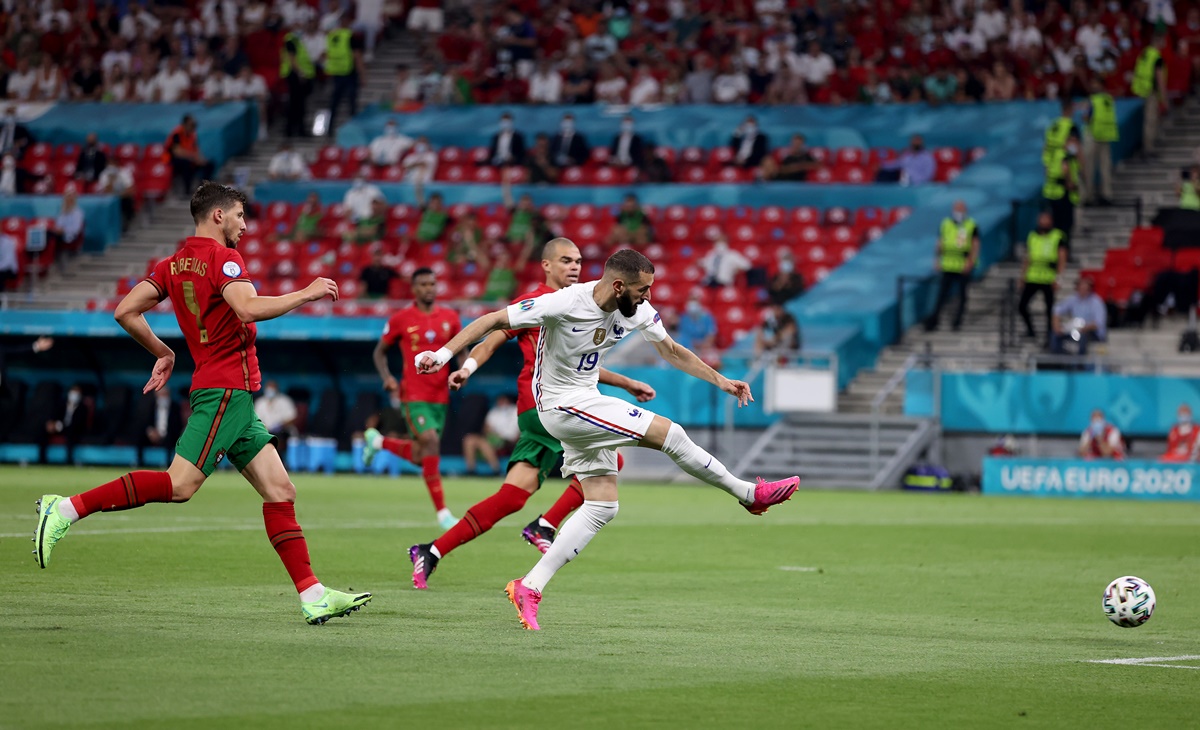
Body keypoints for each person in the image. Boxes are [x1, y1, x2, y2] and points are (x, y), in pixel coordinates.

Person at [31, 182, 371, 624]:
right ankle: (65, 509)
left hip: (235, 397)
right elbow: (247, 308)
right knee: (179, 486)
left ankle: (312, 595)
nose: (245, 226)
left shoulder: (173, 264)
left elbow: (125, 311)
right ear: (218, 216)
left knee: (280, 490)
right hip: (225, 390)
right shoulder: (223, 258)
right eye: (240, 216)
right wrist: (305, 294)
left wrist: (164, 352)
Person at [415, 249, 800, 629]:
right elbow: (494, 320)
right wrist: (445, 353)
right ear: (618, 286)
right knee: (671, 433)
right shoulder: (565, 302)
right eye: (642, 289)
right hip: (558, 405)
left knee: (602, 505)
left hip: (586, 400)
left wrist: (722, 381)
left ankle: (529, 586)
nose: (647, 296)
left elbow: (672, 351)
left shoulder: (639, 311)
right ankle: (749, 495)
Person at [401, 239, 655, 589]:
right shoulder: (538, 302)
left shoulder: (587, 303)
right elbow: (491, 336)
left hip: (555, 407)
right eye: (566, 260)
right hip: (541, 406)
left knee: (512, 497)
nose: (575, 267)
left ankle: (431, 550)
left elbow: (581, 367)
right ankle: (546, 524)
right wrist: (467, 367)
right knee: (613, 461)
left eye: (579, 260)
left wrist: (626, 382)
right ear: (546, 265)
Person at [363, 268, 463, 529]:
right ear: (414, 289)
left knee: (422, 456)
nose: (429, 288)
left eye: (432, 283)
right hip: (414, 395)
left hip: (440, 397)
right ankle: (443, 514)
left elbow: (461, 348)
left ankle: (379, 441)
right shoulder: (401, 318)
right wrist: (387, 377)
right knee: (430, 443)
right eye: (423, 284)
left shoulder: (450, 317)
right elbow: (379, 352)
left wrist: (463, 371)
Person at [925, 200, 980, 332]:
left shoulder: (971, 225)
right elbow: (940, 242)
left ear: (965, 210)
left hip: (962, 264)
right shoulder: (946, 224)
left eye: (960, 209)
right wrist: (937, 260)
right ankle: (934, 320)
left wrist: (971, 261)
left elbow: (975, 244)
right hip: (948, 264)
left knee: (962, 295)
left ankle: (957, 322)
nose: (958, 212)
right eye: (956, 209)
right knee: (941, 295)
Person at [1018, 211, 1067, 341]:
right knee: (1022, 305)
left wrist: (1059, 278)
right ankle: (1030, 331)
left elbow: (1062, 258)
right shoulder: (1032, 235)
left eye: (1046, 219)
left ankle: (1049, 336)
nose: (1043, 222)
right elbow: (1028, 257)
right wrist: (1022, 276)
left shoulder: (1058, 236)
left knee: (1050, 309)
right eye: (1041, 219)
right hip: (1033, 276)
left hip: (1048, 277)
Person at [325, 12, 365, 134]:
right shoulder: (350, 36)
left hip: (337, 73)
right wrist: (363, 75)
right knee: (351, 102)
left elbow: (326, 54)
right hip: (349, 73)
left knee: (334, 103)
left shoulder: (331, 36)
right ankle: (353, 128)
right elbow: (357, 56)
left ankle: (329, 129)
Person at [462, 393, 519, 475]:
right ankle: (471, 470)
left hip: (510, 440)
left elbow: (520, 429)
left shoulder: (515, 410)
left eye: (502, 400)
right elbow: (486, 428)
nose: (500, 402)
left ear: (508, 400)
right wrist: (491, 433)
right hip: (495, 438)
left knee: (484, 443)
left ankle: (496, 470)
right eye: (499, 400)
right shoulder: (494, 411)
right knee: (469, 439)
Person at [1042, 134, 1081, 253]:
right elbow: (1066, 170)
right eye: (1071, 141)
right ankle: (1063, 250)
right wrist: (1070, 183)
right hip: (1063, 194)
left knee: (1057, 226)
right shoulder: (1065, 156)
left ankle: (1057, 250)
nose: (1073, 145)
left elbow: (1047, 170)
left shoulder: (1054, 154)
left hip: (1052, 193)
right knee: (1065, 225)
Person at [1131, 33, 1168, 158]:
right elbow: (1159, 79)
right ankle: (1148, 149)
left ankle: (1150, 144)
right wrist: (1164, 98)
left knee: (1151, 119)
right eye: (1163, 40)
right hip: (1151, 91)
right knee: (1150, 121)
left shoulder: (1145, 52)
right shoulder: (1156, 57)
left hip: (1142, 89)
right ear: (1158, 41)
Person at [39, 382, 94, 465]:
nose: (75, 394)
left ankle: (68, 461)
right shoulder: (61, 404)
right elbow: (54, 416)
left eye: (77, 392)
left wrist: (60, 426)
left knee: (71, 433)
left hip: (73, 429)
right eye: (73, 391)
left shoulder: (82, 408)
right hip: (59, 427)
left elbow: (78, 423)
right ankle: (42, 460)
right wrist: (52, 423)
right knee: (43, 431)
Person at [1049, 277, 1107, 355]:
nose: (1082, 290)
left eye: (1085, 288)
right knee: (1055, 335)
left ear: (1089, 289)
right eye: (1080, 287)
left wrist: (1085, 328)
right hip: (1075, 330)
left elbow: (1099, 323)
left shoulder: (1096, 302)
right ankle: (1058, 361)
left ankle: (1080, 363)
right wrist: (1056, 326)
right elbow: (1057, 310)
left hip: (1091, 332)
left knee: (1082, 337)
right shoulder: (1073, 299)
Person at [1082, 79, 1117, 205]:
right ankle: (1107, 194)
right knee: (1105, 167)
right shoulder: (1109, 99)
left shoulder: (1093, 100)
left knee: (1089, 167)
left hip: (1093, 135)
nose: (1093, 86)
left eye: (1095, 83)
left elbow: (1086, 117)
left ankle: (1088, 196)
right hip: (1105, 135)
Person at [280, 22, 316, 138]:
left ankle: (295, 129)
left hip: (300, 75)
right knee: (296, 104)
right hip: (294, 76)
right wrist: (300, 73)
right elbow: (292, 58)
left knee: (299, 104)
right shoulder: (290, 40)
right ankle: (292, 129)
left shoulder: (299, 40)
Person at [166, 115, 215, 198]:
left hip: (190, 159)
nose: (193, 127)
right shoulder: (177, 133)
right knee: (186, 164)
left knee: (209, 164)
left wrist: (201, 160)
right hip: (173, 161)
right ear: (184, 124)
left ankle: (203, 188)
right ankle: (187, 191)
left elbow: (196, 150)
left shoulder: (193, 135)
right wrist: (192, 157)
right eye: (191, 125)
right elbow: (177, 151)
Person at [135, 388, 182, 466]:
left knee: (171, 439)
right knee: (140, 435)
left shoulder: (175, 407)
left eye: (165, 394)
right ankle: (139, 461)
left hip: (168, 435)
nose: (163, 397)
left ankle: (168, 463)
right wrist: (151, 431)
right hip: (153, 434)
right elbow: (146, 421)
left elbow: (177, 425)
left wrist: (163, 433)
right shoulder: (151, 405)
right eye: (161, 394)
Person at [254, 379, 299, 455]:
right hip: (264, 431)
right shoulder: (260, 402)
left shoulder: (285, 401)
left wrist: (280, 426)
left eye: (272, 388)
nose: (270, 390)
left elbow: (293, 418)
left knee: (279, 436)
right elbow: (256, 420)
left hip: (282, 431)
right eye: (268, 388)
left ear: (277, 389)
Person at [1042, 99, 1079, 170]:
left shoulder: (1052, 125)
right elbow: (1074, 150)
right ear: (1070, 110)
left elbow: (1045, 147)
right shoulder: (1071, 126)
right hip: (1066, 169)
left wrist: (1046, 166)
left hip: (1051, 168)